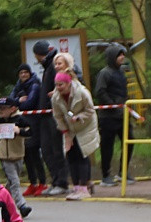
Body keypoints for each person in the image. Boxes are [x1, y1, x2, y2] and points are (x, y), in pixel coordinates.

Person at [51, 71, 100, 201]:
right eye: (56, 85)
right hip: (70, 128)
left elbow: (90, 110)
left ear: (68, 83)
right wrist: (66, 133)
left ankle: (84, 187)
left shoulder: (82, 93)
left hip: (85, 125)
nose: (58, 88)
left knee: (82, 153)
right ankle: (77, 186)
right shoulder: (55, 98)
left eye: (61, 84)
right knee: (70, 154)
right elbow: (58, 117)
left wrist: (79, 117)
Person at [33, 41, 70, 196]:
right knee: (47, 149)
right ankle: (55, 180)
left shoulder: (53, 67)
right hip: (45, 115)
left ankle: (62, 182)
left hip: (53, 115)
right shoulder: (48, 67)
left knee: (55, 149)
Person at [94, 44, 134, 186]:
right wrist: (112, 105)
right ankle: (106, 175)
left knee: (130, 141)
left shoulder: (121, 72)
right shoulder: (105, 73)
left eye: (123, 54)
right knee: (107, 146)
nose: (122, 57)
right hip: (108, 116)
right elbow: (100, 91)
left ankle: (123, 171)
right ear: (112, 57)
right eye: (119, 55)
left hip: (122, 115)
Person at [0, 96, 33, 216]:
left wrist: (19, 131)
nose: (1, 111)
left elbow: (30, 132)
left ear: (13, 109)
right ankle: (22, 205)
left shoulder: (20, 120)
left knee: (12, 182)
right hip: (4, 156)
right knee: (15, 181)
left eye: (4, 108)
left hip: (18, 155)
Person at [9, 63, 46, 196]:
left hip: (34, 122)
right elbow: (10, 101)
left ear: (30, 73)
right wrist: (19, 99)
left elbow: (30, 103)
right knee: (27, 155)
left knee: (35, 153)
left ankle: (42, 182)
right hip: (22, 122)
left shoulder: (35, 85)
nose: (23, 75)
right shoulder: (18, 86)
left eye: (26, 72)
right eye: (21, 73)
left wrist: (18, 103)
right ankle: (32, 183)